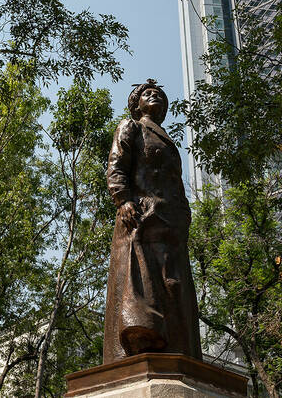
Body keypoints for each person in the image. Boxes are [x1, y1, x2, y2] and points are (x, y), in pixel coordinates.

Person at [103, 79, 202, 363]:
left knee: (174, 287)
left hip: (171, 225)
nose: (154, 96)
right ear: (137, 104)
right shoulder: (130, 127)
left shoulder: (167, 140)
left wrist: (184, 216)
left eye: (159, 94)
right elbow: (116, 166)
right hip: (141, 220)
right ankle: (143, 343)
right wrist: (123, 200)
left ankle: (177, 350)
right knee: (143, 288)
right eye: (147, 94)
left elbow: (175, 184)